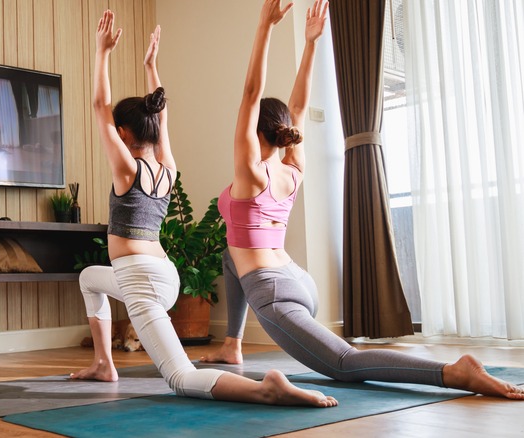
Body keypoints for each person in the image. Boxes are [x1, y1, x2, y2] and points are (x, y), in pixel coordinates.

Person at [201, 0, 524, 401]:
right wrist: (310, 44)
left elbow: (251, 93)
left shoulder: (250, 173)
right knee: (231, 255)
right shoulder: (291, 169)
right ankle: (233, 344)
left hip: (272, 292)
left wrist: (265, 27)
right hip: (299, 281)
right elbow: (297, 106)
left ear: (256, 132)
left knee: (344, 364)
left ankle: (453, 373)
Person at [70, 9, 337, 408]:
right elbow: (162, 115)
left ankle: (266, 390)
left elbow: (99, 106)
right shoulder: (166, 168)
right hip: (166, 278)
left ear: (123, 134)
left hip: (139, 280)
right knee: (90, 278)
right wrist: (151, 68)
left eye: (116, 129)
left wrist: (102, 53)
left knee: (181, 377)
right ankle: (103, 364)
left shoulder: (127, 169)